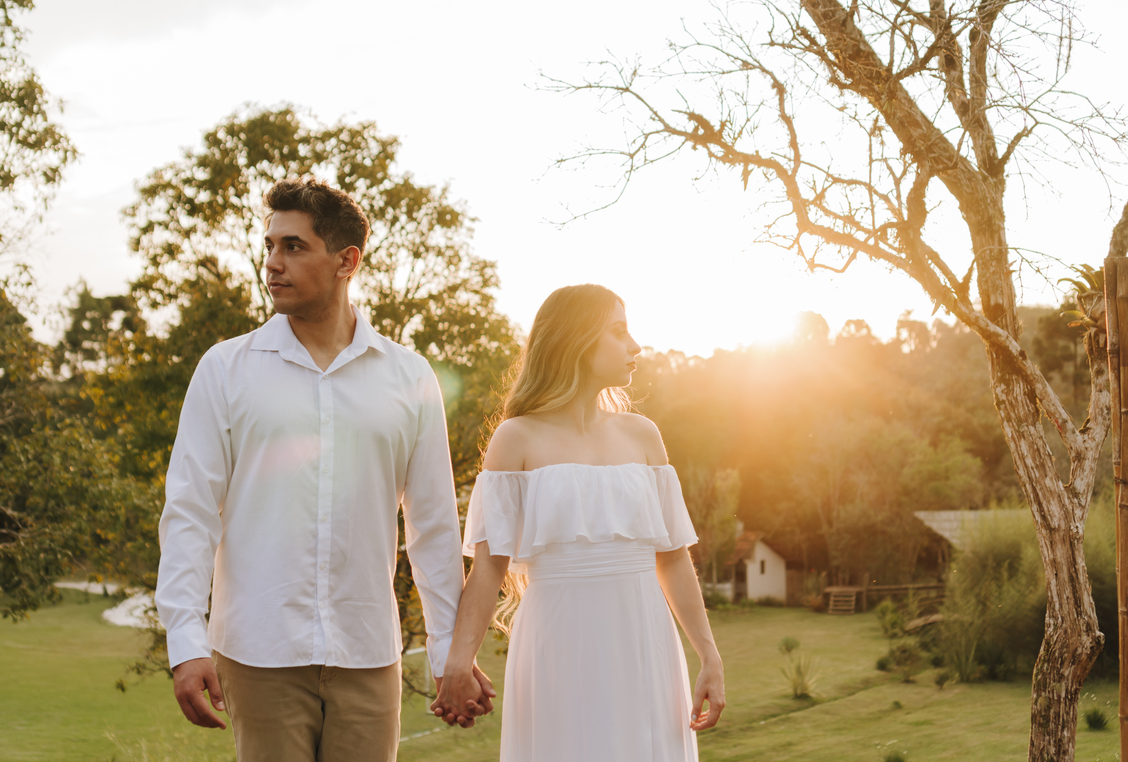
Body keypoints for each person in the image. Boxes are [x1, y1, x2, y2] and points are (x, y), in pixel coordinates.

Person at [155, 177, 493, 762]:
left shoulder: (410, 377)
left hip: (368, 654)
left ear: (346, 261)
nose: (272, 263)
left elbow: (434, 525)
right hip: (258, 652)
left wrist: (447, 652)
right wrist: (185, 639)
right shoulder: (225, 370)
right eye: (270, 245)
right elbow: (190, 511)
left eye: (293, 247)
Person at [431, 283, 725, 761]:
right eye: (619, 332)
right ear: (577, 340)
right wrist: (458, 661)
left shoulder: (643, 435)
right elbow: (489, 565)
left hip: (644, 638)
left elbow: (672, 558)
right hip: (558, 642)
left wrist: (709, 656)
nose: (635, 346)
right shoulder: (516, 438)